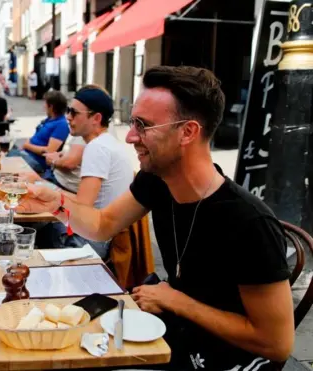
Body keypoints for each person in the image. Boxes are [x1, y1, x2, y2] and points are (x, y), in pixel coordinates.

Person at [17, 66, 294, 370]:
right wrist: (57, 203)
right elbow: (101, 225)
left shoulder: (249, 223)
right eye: (133, 121)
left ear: (187, 132)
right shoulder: (157, 182)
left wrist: (177, 301)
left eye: (143, 125)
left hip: (227, 359)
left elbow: (276, 344)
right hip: (173, 336)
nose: (131, 137)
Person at [36, 87, 133, 257]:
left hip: (89, 242)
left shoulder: (97, 148)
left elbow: (82, 205)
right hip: (102, 235)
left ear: (96, 118)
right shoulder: (108, 143)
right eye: (67, 111)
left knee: (33, 232)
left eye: (73, 112)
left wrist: (44, 187)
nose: (68, 117)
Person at [8, 90, 70, 175]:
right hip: (27, 154)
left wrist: (27, 145)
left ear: (51, 107)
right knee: (6, 151)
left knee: (6, 160)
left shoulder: (61, 124)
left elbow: (49, 151)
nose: (43, 107)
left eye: (45, 104)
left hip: (37, 162)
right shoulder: (49, 120)